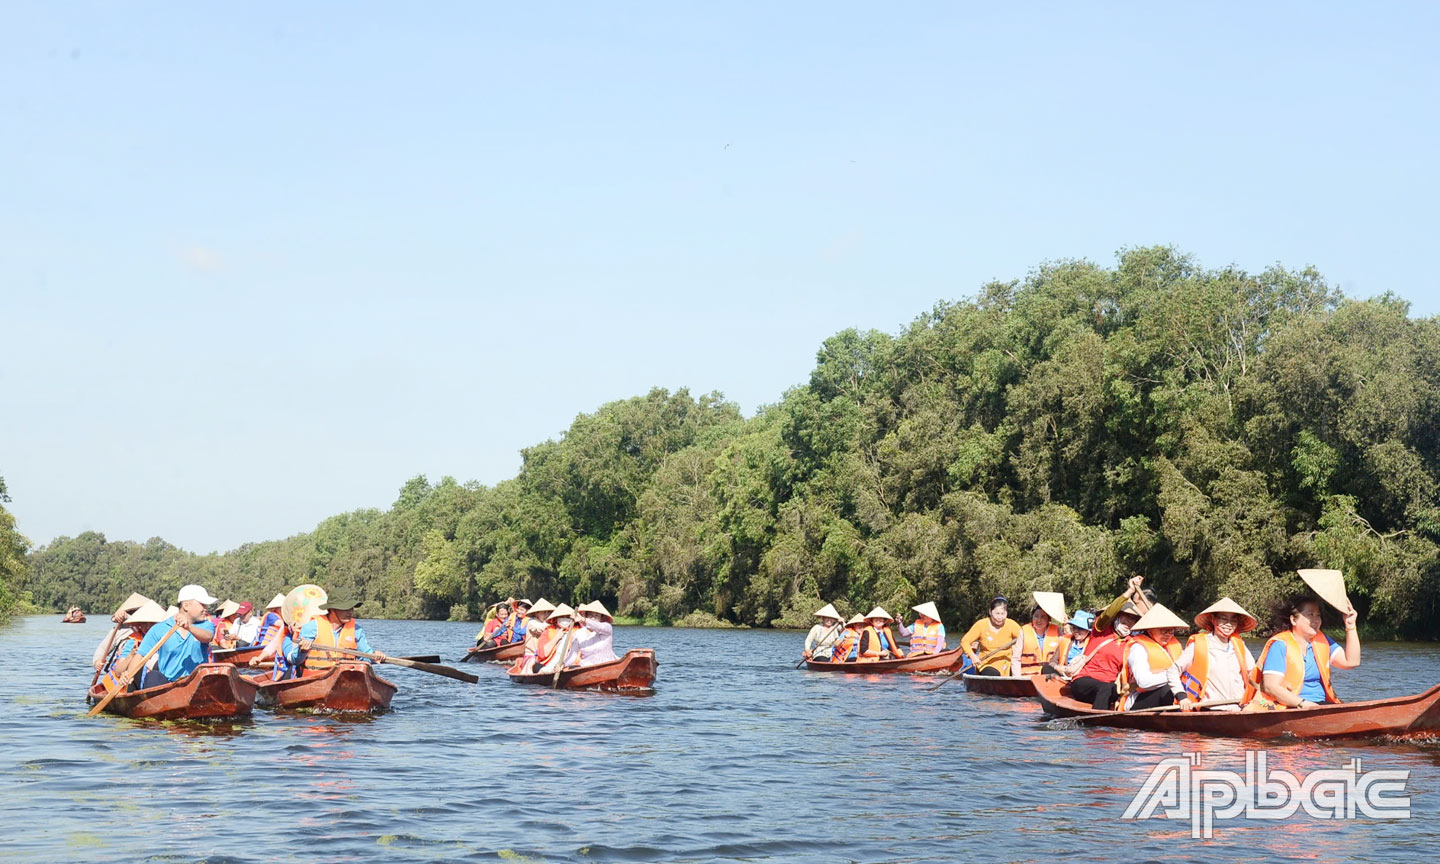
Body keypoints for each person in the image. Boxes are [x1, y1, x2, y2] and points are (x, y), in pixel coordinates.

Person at [1247, 593, 1360, 710]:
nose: (1316, 620)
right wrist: (1303, 703)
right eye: (1310, 615)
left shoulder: (1323, 641)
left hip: (1321, 704)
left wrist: (1351, 626)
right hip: (1289, 707)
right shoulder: (1280, 645)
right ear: (1294, 620)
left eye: (1318, 615)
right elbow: (1271, 686)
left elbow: (1351, 662)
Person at [112, 585, 220, 689]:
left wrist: (189, 627)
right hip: (169, 685)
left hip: (197, 683)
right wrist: (129, 675)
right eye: (202, 605)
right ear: (186, 606)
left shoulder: (206, 625)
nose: (206, 609)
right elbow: (140, 655)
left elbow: (208, 637)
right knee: (153, 676)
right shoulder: (159, 629)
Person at [1166, 597, 1258, 711]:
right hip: (1211, 708)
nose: (1228, 624)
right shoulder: (1199, 644)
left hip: (1238, 707)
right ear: (1214, 620)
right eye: (1223, 619)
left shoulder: (1239, 645)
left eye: (1233, 620)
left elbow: (1253, 674)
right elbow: (1173, 670)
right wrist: (1182, 697)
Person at [1066, 594, 1144, 710]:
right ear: (1117, 616)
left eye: (1133, 619)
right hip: (1084, 681)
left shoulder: (1132, 642)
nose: (1129, 621)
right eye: (1126, 616)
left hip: (1110, 686)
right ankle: (1097, 725)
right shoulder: (1101, 630)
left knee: (1117, 689)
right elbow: (1108, 614)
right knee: (1105, 688)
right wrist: (1130, 591)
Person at [285, 591, 386, 675]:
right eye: (346, 608)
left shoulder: (357, 630)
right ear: (332, 609)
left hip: (346, 680)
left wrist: (375, 656)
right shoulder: (311, 628)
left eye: (352, 608)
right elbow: (295, 661)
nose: (350, 612)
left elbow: (366, 657)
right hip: (315, 679)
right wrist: (302, 651)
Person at [1117, 604, 1187, 711]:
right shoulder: (1138, 648)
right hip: (1140, 698)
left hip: (1172, 694)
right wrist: (1173, 674)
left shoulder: (1173, 645)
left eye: (1171, 631)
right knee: (1168, 689)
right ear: (1150, 630)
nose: (1168, 634)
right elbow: (1144, 682)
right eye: (1163, 630)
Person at [91, 593, 153, 673]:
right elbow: (103, 647)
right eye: (132, 612)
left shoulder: (155, 628)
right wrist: (98, 661)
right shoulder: (121, 629)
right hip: (121, 671)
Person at [961, 597, 1023, 675]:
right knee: (992, 674)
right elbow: (965, 641)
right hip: (986, 663)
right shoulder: (981, 625)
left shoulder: (1011, 624)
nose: (1000, 617)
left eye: (1003, 614)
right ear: (990, 612)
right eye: (997, 614)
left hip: (1007, 663)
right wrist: (973, 656)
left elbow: (1025, 638)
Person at [1011, 595, 1064, 677]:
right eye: (1036, 616)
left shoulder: (1057, 630)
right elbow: (1016, 659)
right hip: (1028, 677)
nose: (1039, 620)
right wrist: (1017, 678)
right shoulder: (1024, 631)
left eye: (1043, 617)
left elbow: (1065, 648)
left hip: (1049, 676)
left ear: (1048, 620)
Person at [508, 599, 555, 673]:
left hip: (547, 657)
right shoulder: (532, 623)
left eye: (549, 612)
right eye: (544, 612)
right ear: (537, 613)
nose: (547, 615)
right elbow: (541, 628)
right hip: (532, 656)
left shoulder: (551, 625)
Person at [572, 600, 619, 666]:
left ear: (601, 618)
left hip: (607, 665)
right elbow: (573, 655)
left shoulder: (607, 628)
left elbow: (597, 626)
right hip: (587, 667)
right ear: (586, 616)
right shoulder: (578, 634)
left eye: (596, 615)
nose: (593, 618)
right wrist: (563, 664)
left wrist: (583, 619)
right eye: (590, 615)